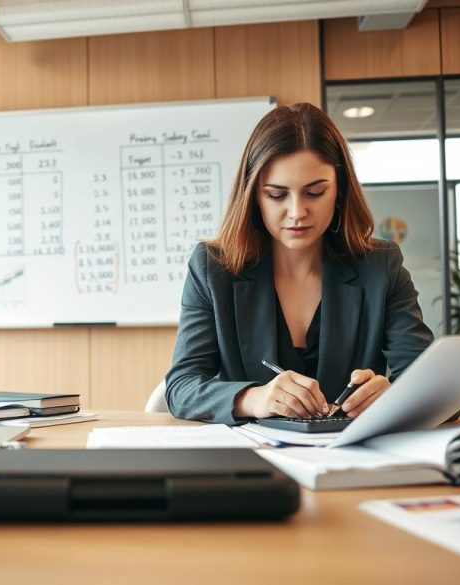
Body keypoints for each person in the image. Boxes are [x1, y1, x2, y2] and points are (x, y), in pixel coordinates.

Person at [165, 103, 434, 425]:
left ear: (339, 191)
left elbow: (439, 388)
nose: (297, 212)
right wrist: (257, 397)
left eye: (315, 192)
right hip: (254, 460)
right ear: (253, 196)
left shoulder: (380, 266)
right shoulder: (213, 267)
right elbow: (182, 388)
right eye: (277, 195)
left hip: (350, 458)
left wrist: (395, 396)